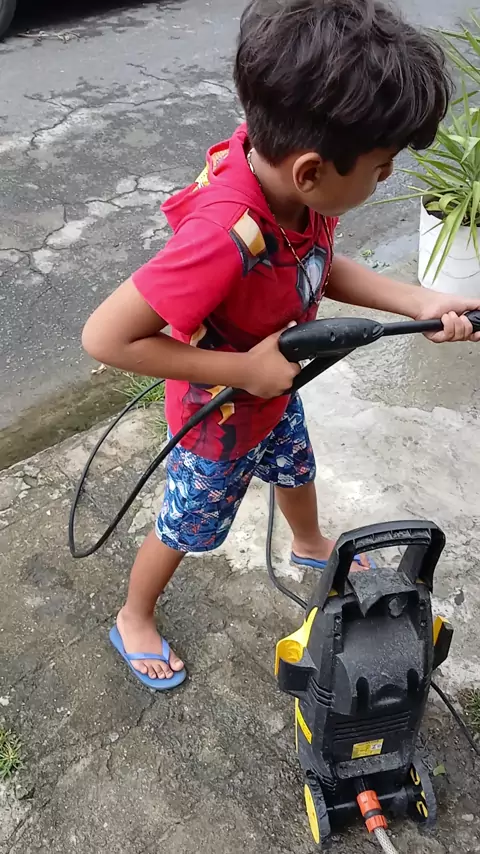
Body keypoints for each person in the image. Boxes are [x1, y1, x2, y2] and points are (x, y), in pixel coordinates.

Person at [82, 0, 480, 690]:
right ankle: (133, 615)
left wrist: (421, 300)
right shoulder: (222, 235)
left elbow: (318, 267)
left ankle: (309, 543)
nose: (387, 178)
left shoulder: (296, 193)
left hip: (271, 390)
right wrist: (243, 369)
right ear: (311, 170)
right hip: (218, 418)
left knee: (296, 470)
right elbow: (106, 337)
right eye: (381, 167)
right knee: (185, 525)